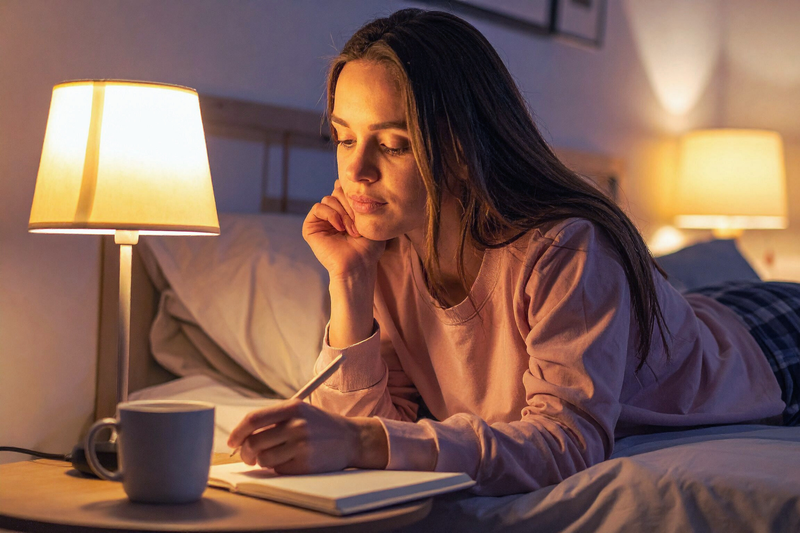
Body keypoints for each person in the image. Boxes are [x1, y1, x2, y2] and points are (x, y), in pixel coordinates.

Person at [227, 8, 798, 495]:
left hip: (760, 343)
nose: (356, 169)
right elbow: (365, 438)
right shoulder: (380, 251)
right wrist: (349, 283)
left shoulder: (563, 248)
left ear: (461, 147)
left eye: (394, 144)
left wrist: (362, 441)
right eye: (345, 137)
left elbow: (566, 442)